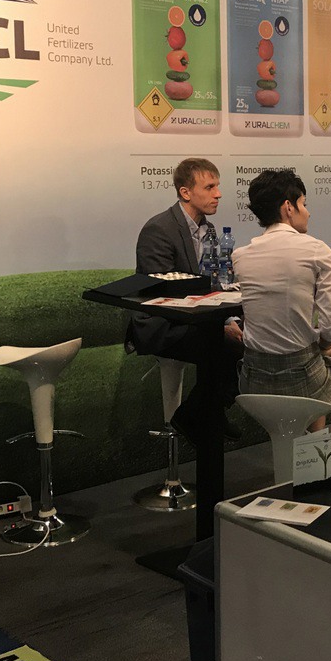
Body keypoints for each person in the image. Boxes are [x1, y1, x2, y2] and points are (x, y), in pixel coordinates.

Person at [126, 157, 243, 445]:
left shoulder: (209, 229)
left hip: (199, 319)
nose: (218, 194)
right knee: (223, 345)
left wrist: (229, 318)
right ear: (185, 192)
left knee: (247, 339)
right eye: (210, 187)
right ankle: (195, 415)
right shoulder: (159, 229)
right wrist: (219, 326)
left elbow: (214, 283)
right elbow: (164, 291)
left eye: (218, 186)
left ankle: (206, 412)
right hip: (163, 324)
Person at [232, 170, 331, 431]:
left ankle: (319, 440)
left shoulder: (240, 255)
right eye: (304, 204)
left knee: (314, 362)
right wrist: (323, 344)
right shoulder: (316, 250)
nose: (308, 213)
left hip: (253, 380)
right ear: (288, 207)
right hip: (301, 377)